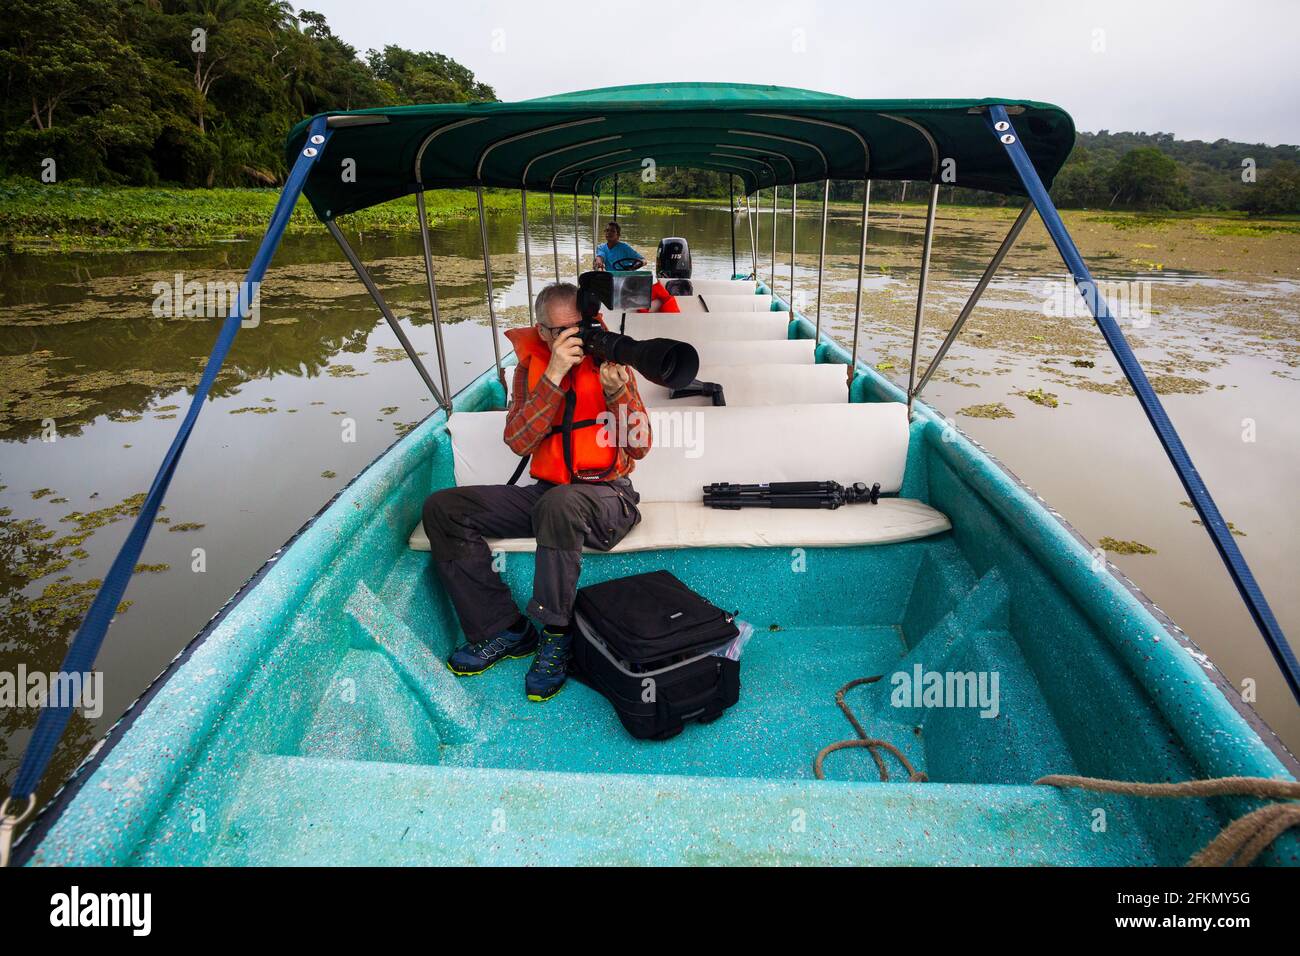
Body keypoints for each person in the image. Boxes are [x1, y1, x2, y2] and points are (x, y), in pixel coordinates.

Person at [421, 282, 652, 702]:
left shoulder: (612, 360)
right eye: (561, 331)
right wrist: (553, 376)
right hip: (548, 495)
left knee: (560, 503)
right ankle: (504, 629)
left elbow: (638, 444)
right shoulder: (531, 369)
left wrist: (618, 395)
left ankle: (556, 633)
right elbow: (519, 440)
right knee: (444, 508)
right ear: (542, 332)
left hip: (609, 499)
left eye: (579, 328)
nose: (574, 339)